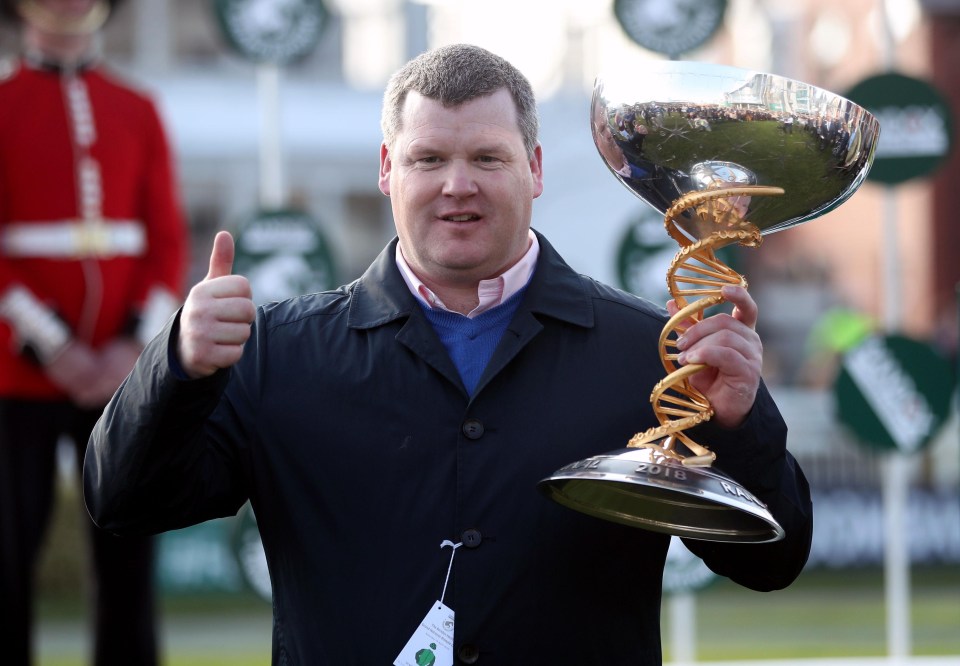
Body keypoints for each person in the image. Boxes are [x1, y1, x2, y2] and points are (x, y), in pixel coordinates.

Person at [84, 44, 812, 664]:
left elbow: (772, 563)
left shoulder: (653, 353)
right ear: (386, 169)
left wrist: (741, 426)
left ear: (534, 167)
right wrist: (175, 366)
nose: (455, 185)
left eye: (486, 158)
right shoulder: (277, 351)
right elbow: (121, 501)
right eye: (427, 157)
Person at [0, 1, 188, 664]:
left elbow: (166, 241)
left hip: (119, 375)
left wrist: (129, 344)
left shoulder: (137, 108)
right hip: (17, 376)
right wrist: (52, 344)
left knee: (129, 560)